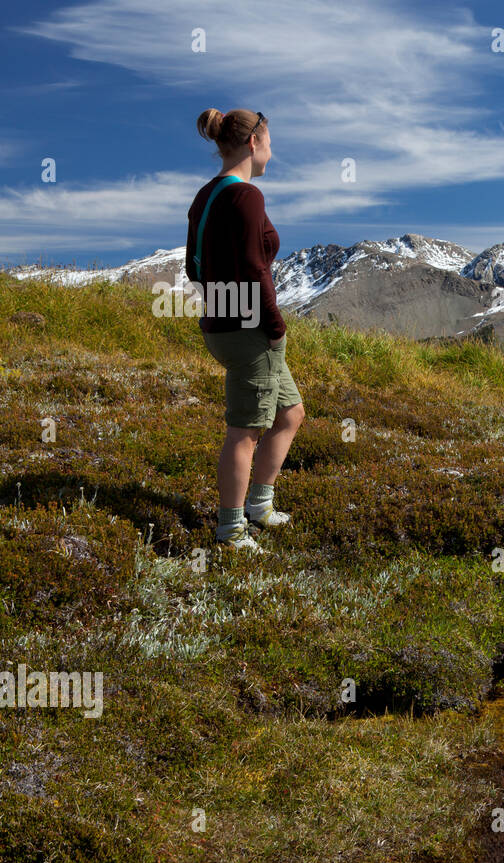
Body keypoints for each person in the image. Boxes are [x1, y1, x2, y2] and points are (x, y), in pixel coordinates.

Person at [186, 108, 304, 551]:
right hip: (251, 330)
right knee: (246, 430)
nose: (273, 151)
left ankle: (260, 505)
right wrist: (274, 327)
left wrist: (221, 307)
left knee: (289, 414)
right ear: (253, 143)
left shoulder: (205, 196)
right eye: (270, 141)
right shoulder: (247, 197)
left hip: (220, 325)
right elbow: (257, 271)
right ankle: (231, 530)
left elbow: (191, 267)